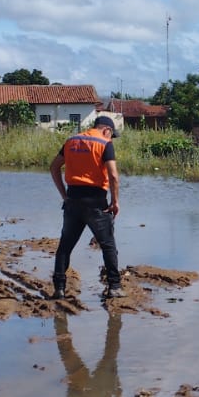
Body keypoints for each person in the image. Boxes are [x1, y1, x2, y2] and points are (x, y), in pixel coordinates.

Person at [50, 114, 122, 298]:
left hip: (73, 200)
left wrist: (64, 195)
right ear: (107, 130)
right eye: (111, 135)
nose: (110, 138)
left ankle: (59, 288)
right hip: (96, 202)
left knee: (65, 246)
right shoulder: (105, 143)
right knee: (108, 245)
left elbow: (54, 167)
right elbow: (113, 176)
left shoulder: (71, 141)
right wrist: (115, 202)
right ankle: (114, 286)